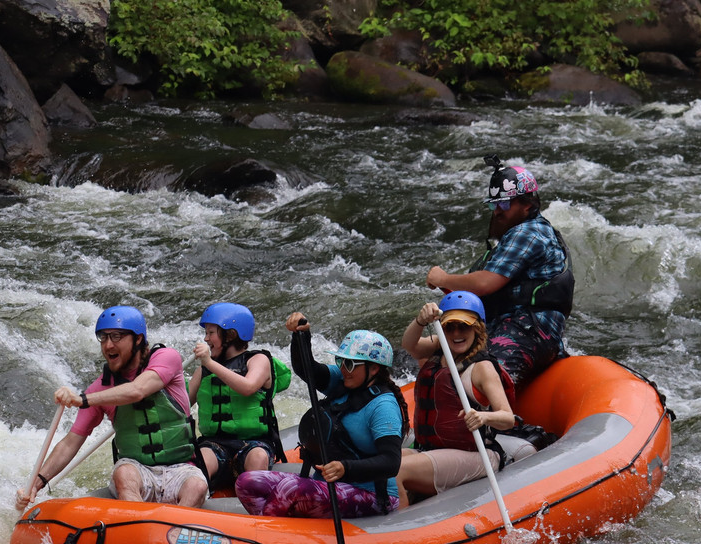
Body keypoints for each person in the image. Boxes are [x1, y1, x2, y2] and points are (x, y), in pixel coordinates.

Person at [15, 305, 208, 511]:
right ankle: (138, 526)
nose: (108, 345)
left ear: (138, 339)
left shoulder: (166, 358)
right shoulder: (101, 388)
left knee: (197, 486)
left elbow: (137, 390)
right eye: (103, 338)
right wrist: (36, 484)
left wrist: (83, 399)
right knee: (124, 473)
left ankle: (177, 531)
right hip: (138, 471)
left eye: (116, 336)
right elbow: (70, 442)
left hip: (180, 468)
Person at [234, 313, 408, 518]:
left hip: (371, 495)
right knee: (247, 482)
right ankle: (282, 531)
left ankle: (269, 534)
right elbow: (308, 370)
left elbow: (391, 462)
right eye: (341, 361)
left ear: (374, 368)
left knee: (290, 488)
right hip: (326, 485)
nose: (344, 369)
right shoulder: (344, 382)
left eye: (350, 364)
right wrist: (301, 336)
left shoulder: (383, 406)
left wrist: (346, 468)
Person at [426, 154, 574, 393]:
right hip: (509, 325)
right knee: (434, 360)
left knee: (481, 377)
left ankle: (502, 423)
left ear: (528, 205)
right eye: (493, 205)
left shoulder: (528, 233)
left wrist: (442, 279)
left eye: (504, 204)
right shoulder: (512, 237)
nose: (497, 211)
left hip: (530, 329)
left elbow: (485, 283)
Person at [396, 291, 533, 507]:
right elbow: (409, 344)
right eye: (450, 327)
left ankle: (399, 531)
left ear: (477, 329)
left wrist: (483, 417)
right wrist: (420, 321)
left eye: (464, 326)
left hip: (474, 454)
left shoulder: (482, 368)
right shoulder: (437, 349)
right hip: (431, 449)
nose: (456, 333)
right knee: (383, 464)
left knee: (397, 471)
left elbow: (507, 418)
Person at [188, 302, 291, 491]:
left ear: (231, 335)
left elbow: (248, 387)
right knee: (200, 461)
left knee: (258, 457)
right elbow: (181, 406)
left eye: (211, 333)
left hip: (254, 443)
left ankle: (257, 505)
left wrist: (209, 363)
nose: (206, 338)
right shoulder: (203, 370)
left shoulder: (258, 360)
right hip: (214, 444)